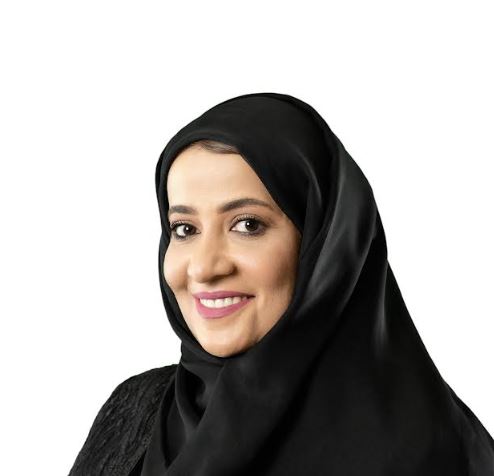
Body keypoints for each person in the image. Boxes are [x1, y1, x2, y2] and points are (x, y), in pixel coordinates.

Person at [68, 92, 494, 476]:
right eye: (184, 229)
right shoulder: (137, 412)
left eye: (247, 225)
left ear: (325, 246)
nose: (203, 268)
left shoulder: (435, 452)